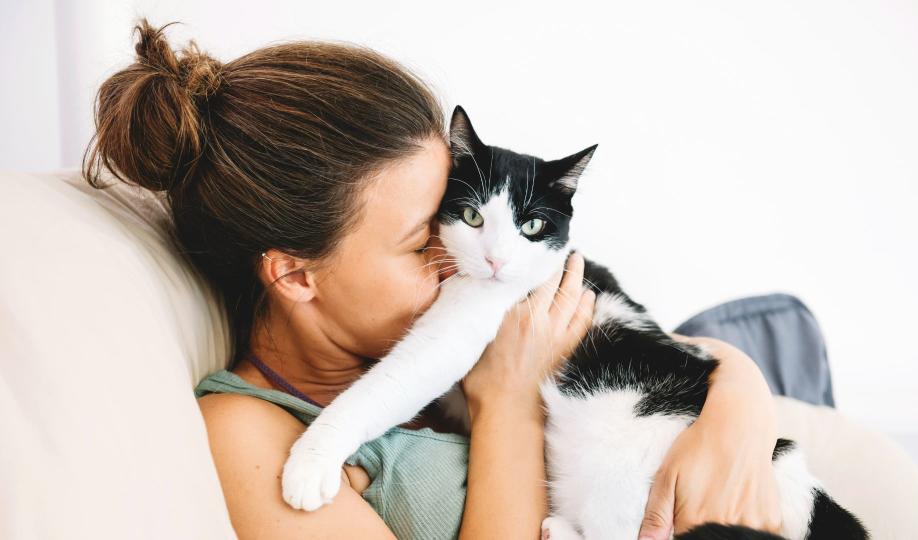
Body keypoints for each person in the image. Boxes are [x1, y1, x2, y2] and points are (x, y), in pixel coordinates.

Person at [84, 19, 782, 539]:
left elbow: (668, 353)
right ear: (297, 275)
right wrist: (507, 402)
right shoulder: (247, 436)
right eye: (423, 244)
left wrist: (739, 409)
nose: (457, 262)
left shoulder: (432, 327)